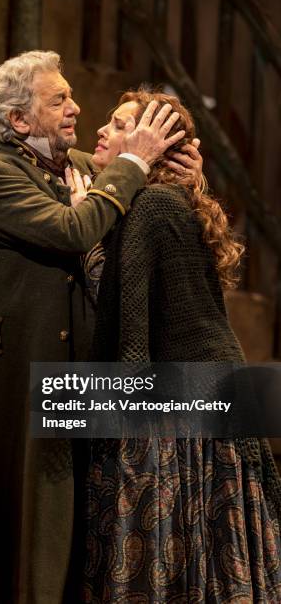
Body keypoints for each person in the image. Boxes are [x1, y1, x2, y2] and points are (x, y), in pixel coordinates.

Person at [0, 52, 202, 604]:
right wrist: (133, 165)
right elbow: (72, 229)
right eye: (59, 99)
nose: (76, 108)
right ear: (20, 121)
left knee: (55, 522)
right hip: (4, 379)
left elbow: (134, 176)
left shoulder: (80, 168)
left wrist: (180, 170)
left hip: (67, 383)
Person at [79, 87, 281, 603]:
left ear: (150, 145)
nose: (101, 131)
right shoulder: (169, 200)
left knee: (173, 553)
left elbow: (133, 334)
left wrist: (113, 429)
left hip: (180, 412)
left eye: (119, 124)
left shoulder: (148, 207)